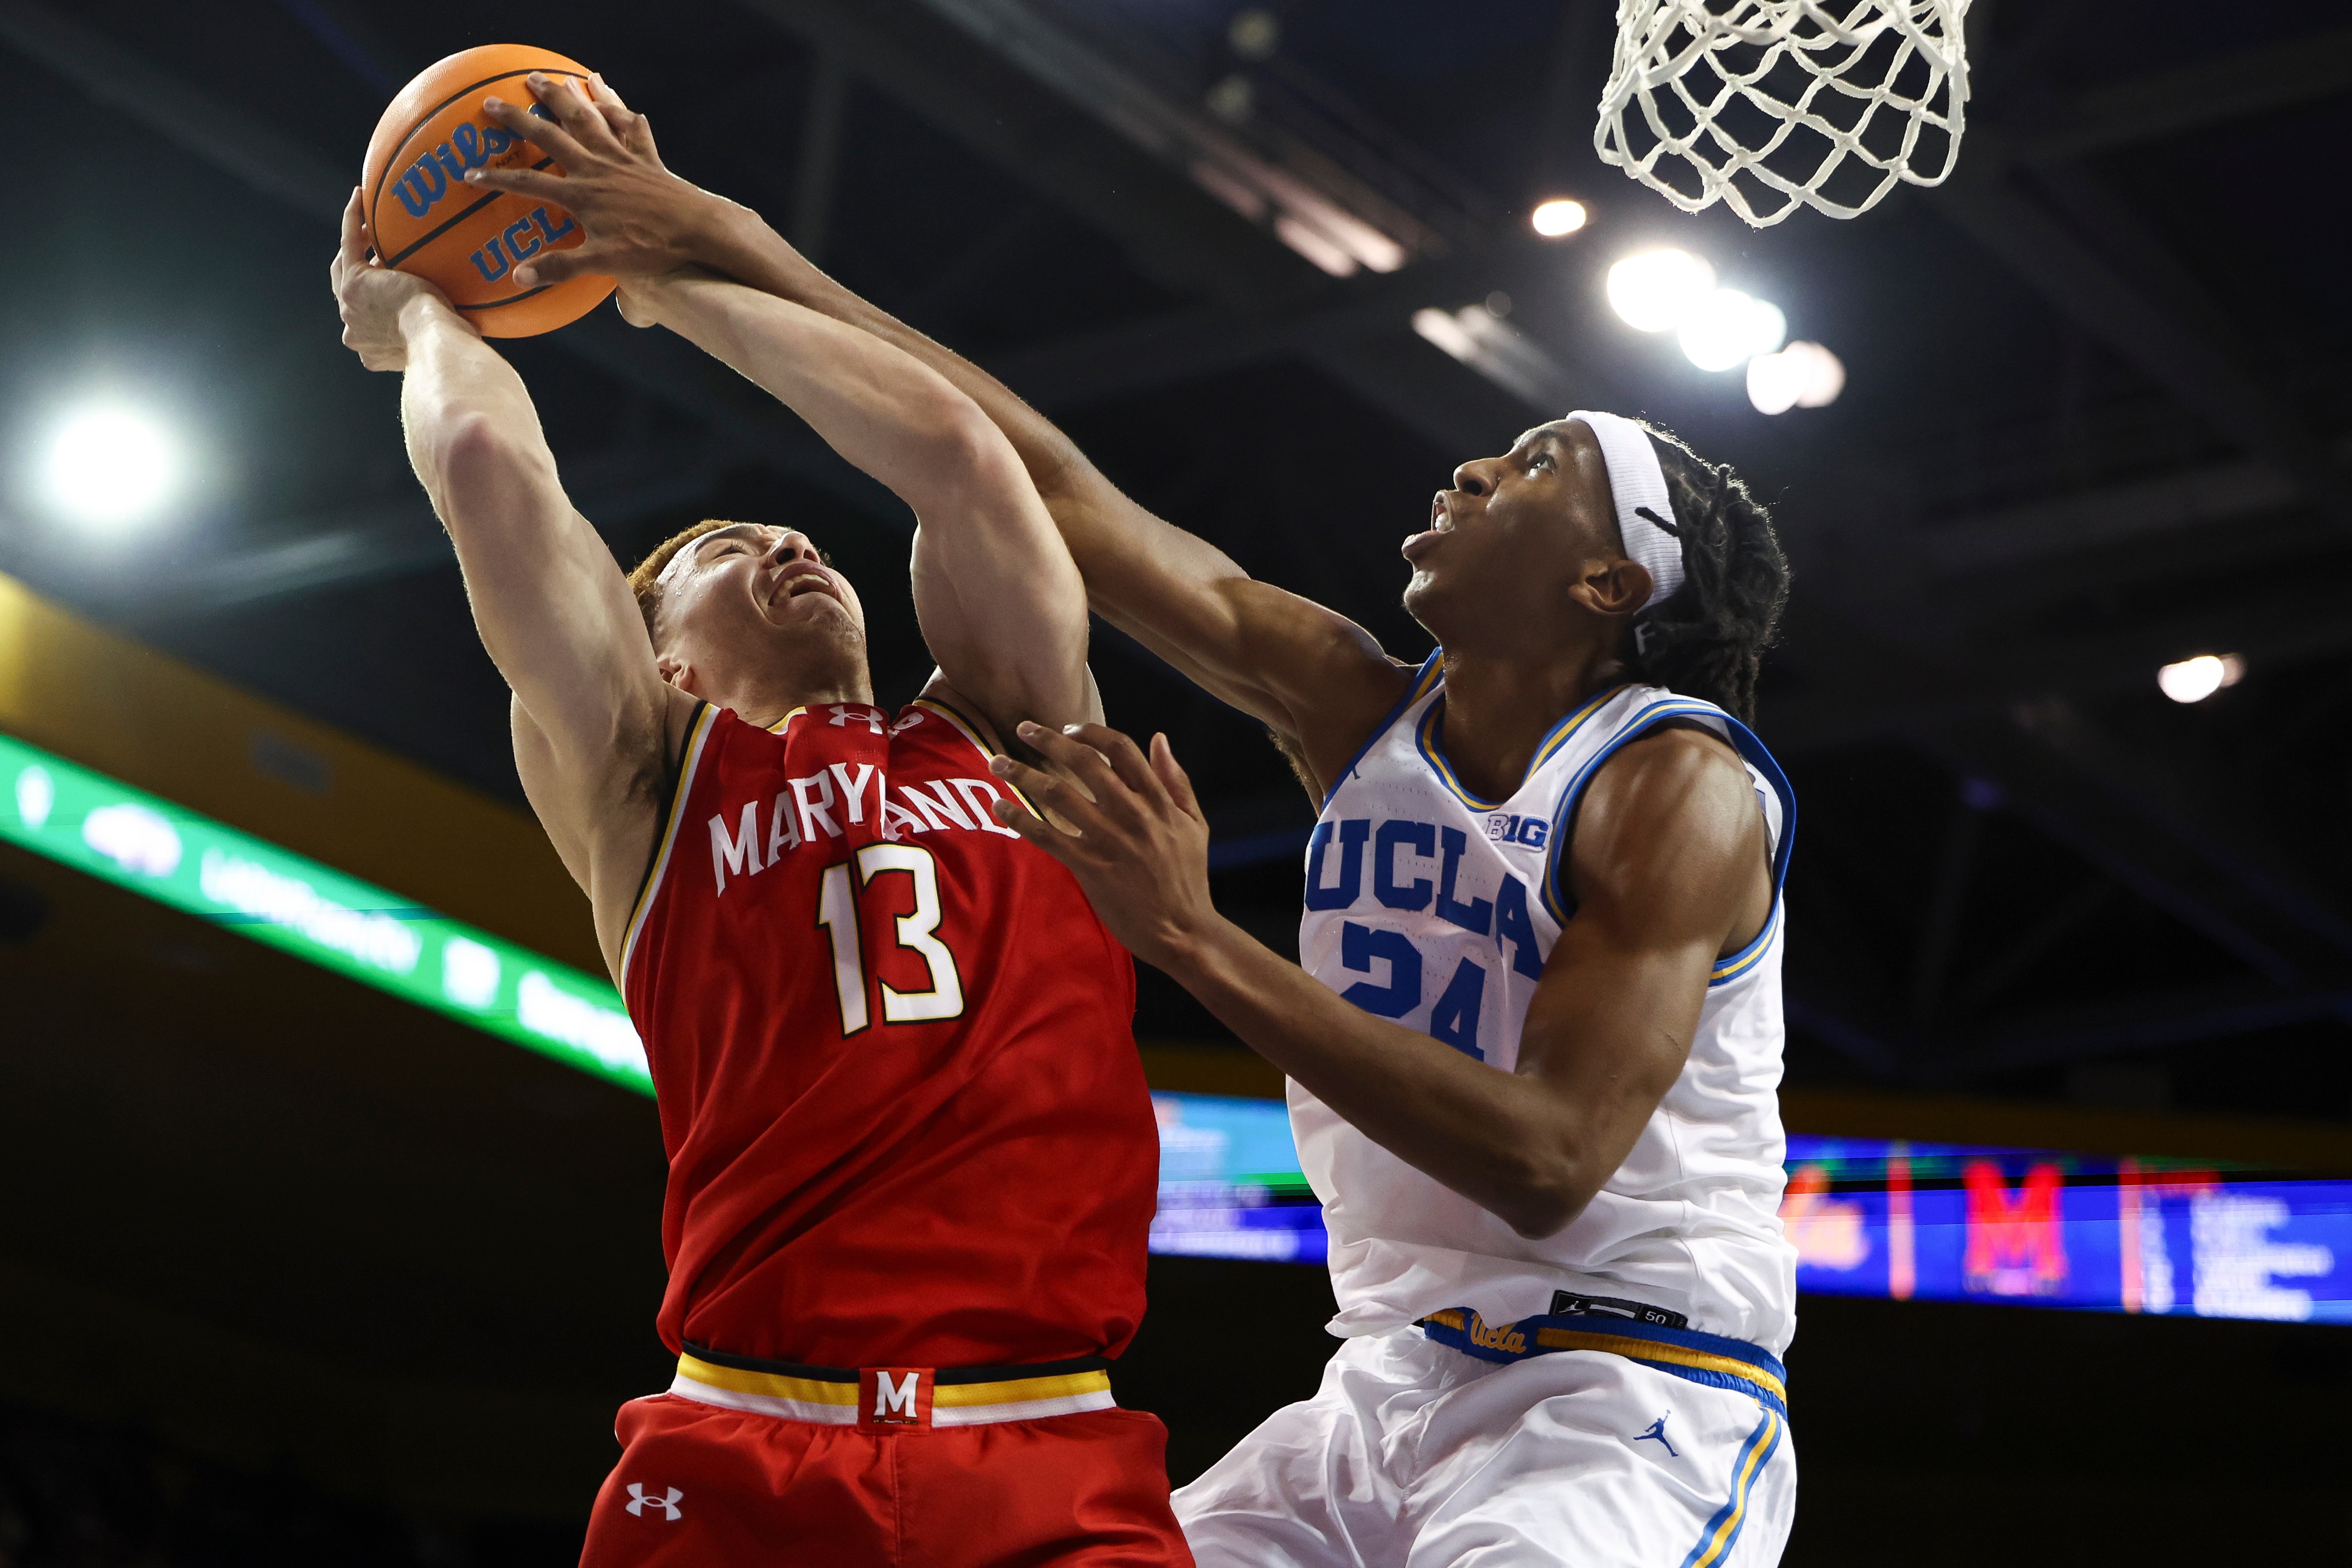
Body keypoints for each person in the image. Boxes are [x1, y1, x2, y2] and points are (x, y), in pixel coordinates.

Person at [468, 74, 1798, 1567]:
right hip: (1382, 1382)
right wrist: (702, 251)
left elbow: (1547, 1161)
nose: (1479, 462)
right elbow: (1025, 477)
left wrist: (1188, 938)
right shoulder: (1351, 704)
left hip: (1625, 1385)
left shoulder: (1677, 784)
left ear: (1610, 587)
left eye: (1541, 465)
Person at [329, 162, 1191, 1563]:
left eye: (788, 530)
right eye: (730, 545)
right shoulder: (647, 776)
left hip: (1045, 1446)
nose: (791, 538)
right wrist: (421, 322)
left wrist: (664, 281)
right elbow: (488, 467)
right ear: (660, 654)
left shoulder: (1012, 734)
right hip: (745, 1445)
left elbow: (958, 451)